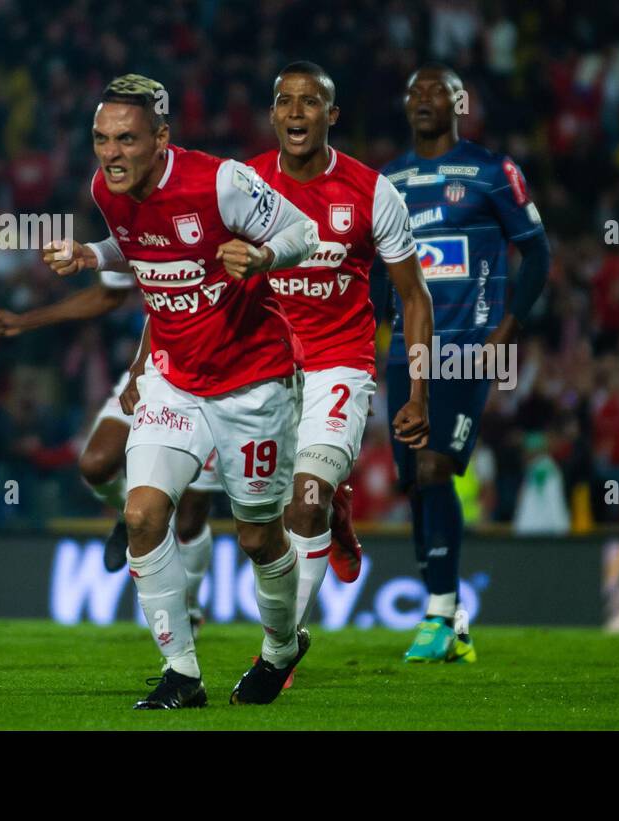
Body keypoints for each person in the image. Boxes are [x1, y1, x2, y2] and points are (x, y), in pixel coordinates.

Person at [48, 74, 319, 708]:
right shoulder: (105, 189)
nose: (111, 154)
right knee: (142, 514)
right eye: (100, 140)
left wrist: (263, 259)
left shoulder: (218, 181)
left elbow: (302, 231)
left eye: (127, 139)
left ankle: (281, 648)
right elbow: (143, 246)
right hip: (174, 380)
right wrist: (91, 254)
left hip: (253, 382)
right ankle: (183, 675)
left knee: (256, 537)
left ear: (162, 139)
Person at [217, 62, 432, 630]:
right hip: (263, 369)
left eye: (309, 102)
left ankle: (281, 647)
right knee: (251, 519)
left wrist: (418, 393)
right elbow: (198, 277)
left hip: (340, 365)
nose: (295, 111)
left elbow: (414, 298)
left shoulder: (371, 191)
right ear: (272, 114)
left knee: (303, 501)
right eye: (284, 101)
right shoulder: (243, 187)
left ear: (330, 115)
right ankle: (337, 507)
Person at [380, 63, 550, 663]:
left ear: (461, 102)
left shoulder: (491, 172)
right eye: (415, 91)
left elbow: (537, 254)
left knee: (434, 468)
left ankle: (437, 611)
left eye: (438, 91)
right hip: (405, 352)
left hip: (467, 349)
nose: (424, 99)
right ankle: (452, 616)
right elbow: (378, 275)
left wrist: (506, 331)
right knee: (413, 484)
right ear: (405, 106)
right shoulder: (387, 180)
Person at [0, 280, 220, 638]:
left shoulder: (229, 232)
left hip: (220, 382)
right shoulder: (137, 229)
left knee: (189, 517)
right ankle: (129, 513)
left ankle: (188, 607)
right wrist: (28, 320)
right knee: (95, 463)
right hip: (156, 370)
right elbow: (110, 291)